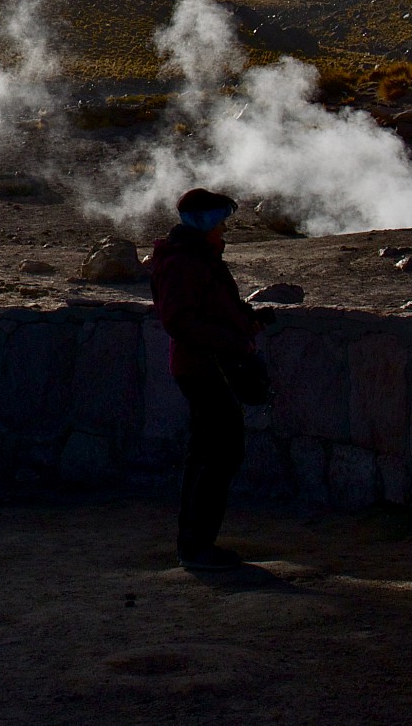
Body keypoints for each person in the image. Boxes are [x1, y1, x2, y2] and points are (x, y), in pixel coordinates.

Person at [149, 187, 269, 570]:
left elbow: (206, 310)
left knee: (210, 453)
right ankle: (197, 546)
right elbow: (181, 321)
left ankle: (197, 543)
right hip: (204, 369)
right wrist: (235, 341)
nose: (223, 231)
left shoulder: (197, 258)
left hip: (207, 366)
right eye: (219, 223)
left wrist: (244, 323)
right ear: (204, 224)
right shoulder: (186, 262)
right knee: (217, 455)